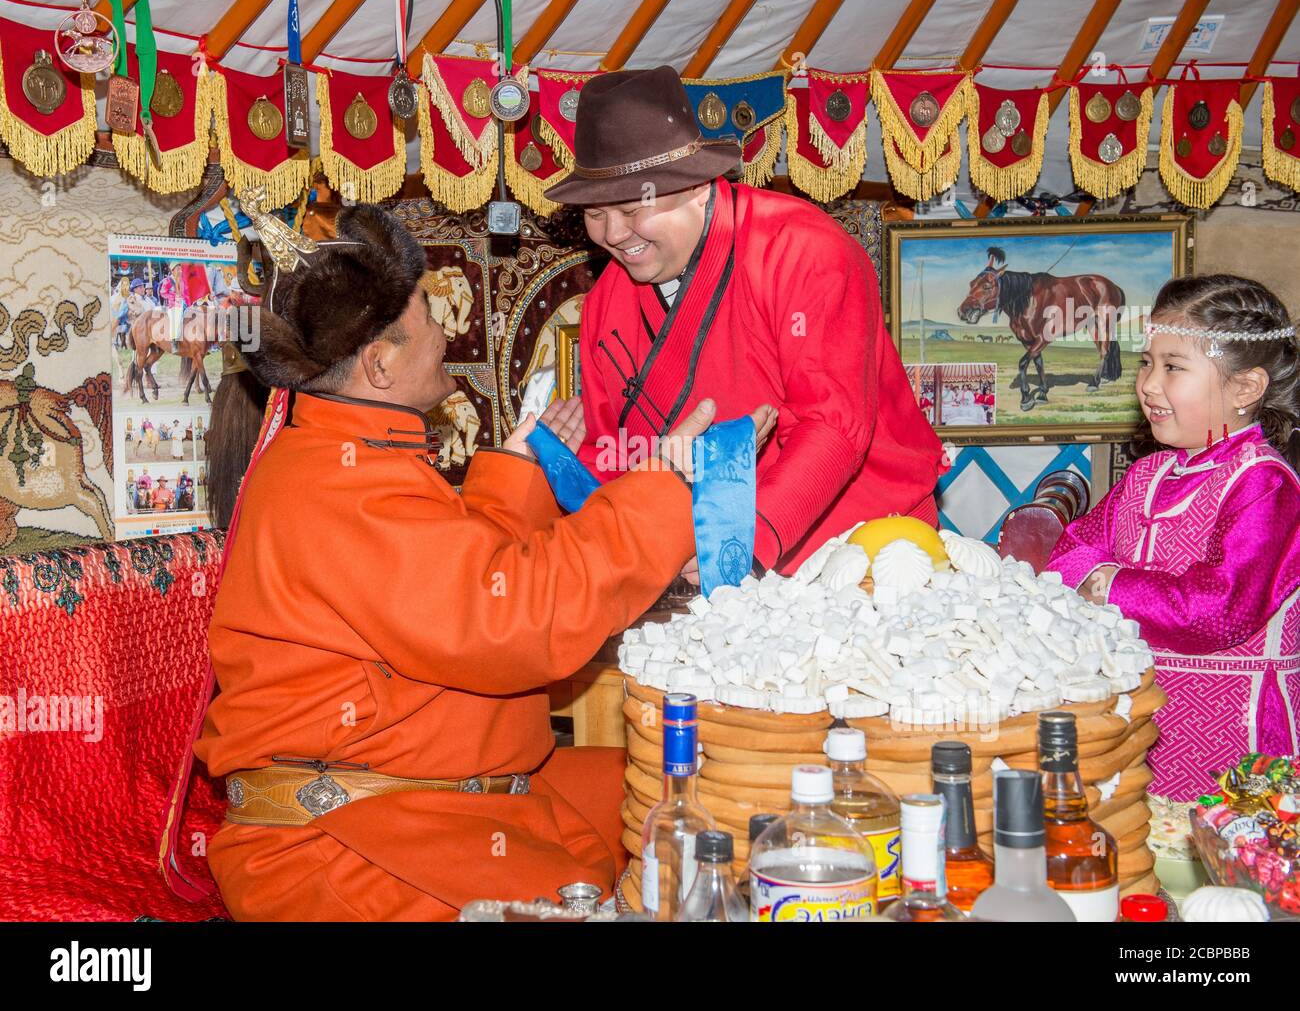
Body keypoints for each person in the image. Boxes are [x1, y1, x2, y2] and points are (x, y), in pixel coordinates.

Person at [185, 198, 775, 921]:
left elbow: (455, 585)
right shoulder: (333, 484)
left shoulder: (346, 455)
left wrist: (511, 471)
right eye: (428, 315)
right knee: (688, 820)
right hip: (355, 845)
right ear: (378, 364)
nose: (445, 329)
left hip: (434, 793)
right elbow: (511, 622)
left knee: (697, 786)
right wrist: (667, 489)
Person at [544, 66, 944, 577]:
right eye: (594, 214)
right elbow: (617, 451)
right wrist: (561, 472)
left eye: (630, 208)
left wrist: (739, 543)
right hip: (699, 560)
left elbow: (831, 426)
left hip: (860, 546)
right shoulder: (605, 304)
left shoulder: (804, 253)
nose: (614, 234)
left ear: (694, 186)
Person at [1048, 274, 1300, 802]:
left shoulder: (1264, 483)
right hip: (1141, 721)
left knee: (1223, 872)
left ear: (1246, 388)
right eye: (1146, 363)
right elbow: (1068, 551)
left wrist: (1105, 583)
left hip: (1234, 732)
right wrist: (1091, 573)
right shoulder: (1148, 475)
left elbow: (1216, 609)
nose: (1149, 385)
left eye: (1173, 368)